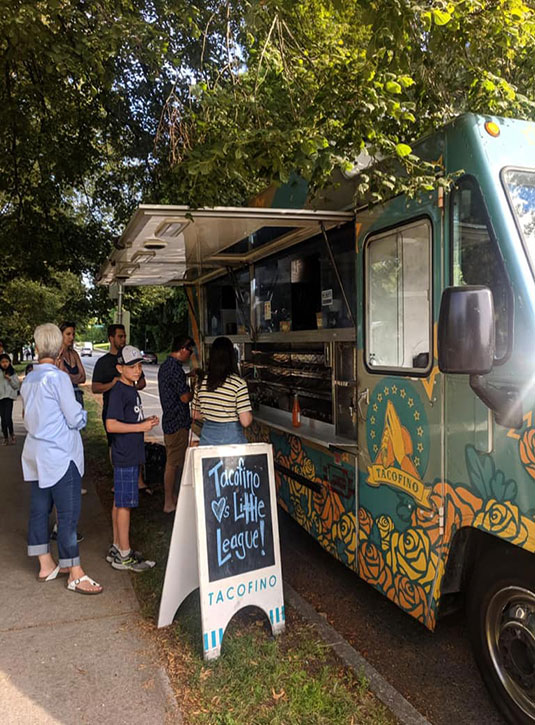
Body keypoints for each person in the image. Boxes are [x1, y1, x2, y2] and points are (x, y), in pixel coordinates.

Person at [21, 323, 102, 594]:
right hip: (60, 454)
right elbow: (74, 416)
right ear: (59, 350)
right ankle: (73, 570)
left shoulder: (30, 378)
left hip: (35, 453)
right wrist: (83, 415)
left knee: (39, 509)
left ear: (36, 348)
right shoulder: (58, 378)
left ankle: (45, 562)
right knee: (67, 514)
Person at [105, 345, 159, 571]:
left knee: (120, 501)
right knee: (125, 504)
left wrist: (145, 422)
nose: (137, 370)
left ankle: (118, 546)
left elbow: (130, 419)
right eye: (132, 367)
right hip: (125, 454)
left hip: (129, 453)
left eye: (139, 366)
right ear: (120, 368)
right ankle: (125, 555)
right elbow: (111, 424)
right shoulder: (119, 391)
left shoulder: (131, 390)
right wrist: (141, 427)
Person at [91, 324, 151, 494]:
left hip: (131, 410)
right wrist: (113, 384)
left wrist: (132, 386)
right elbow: (95, 387)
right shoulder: (104, 363)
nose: (123, 340)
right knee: (116, 444)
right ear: (111, 338)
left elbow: (141, 383)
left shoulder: (131, 359)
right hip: (113, 409)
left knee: (134, 443)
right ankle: (119, 479)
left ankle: (137, 479)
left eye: (124, 336)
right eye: (120, 336)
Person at [193, 336, 253, 445]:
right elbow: (245, 421)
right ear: (232, 357)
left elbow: (195, 414)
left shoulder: (201, 382)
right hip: (231, 446)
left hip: (207, 442)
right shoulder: (238, 384)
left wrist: (213, 415)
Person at [157, 336, 194, 513]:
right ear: (183, 348)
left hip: (170, 419)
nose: (190, 354)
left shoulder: (167, 366)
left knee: (173, 461)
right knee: (173, 463)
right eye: (190, 350)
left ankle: (171, 498)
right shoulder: (176, 370)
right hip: (178, 421)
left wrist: (188, 376)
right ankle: (169, 502)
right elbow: (185, 397)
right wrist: (194, 389)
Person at [56, 322, 86, 407]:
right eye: (68, 334)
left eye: (73, 334)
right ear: (60, 335)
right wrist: (76, 376)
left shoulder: (74, 354)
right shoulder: (57, 355)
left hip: (77, 396)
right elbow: (60, 379)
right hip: (63, 397)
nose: (71, 337)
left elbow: (83, 377)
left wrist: (68, 376)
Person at [0, 353, 20, 445]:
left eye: (6, 362)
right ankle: (5, 437)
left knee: (8, 417)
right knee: (3, 418)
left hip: (9, 397)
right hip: (1, 397)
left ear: (9, 362)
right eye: (2, 362)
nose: (4, 364)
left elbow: (16, 386)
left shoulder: (12, 372)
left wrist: (10, 379)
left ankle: (12, 434)